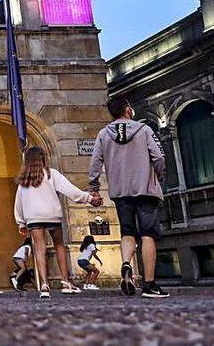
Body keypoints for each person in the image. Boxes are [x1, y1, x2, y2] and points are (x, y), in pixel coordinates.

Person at [88, 96, 169, 299]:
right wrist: (159, 175)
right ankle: (149, 284)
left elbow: (95, 162)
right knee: (147, 234)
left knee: (127, 232)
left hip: (120, 191)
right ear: (128, 109)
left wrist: (94, 187)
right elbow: (158, 157)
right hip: (145, 189)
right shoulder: (144, 130)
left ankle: (126, 265)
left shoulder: (103, 134)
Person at [14, 145, 99, 298]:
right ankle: (65, 281)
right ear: (43, 159)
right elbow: (71, 190)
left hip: (33, 218)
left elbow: (18, 203)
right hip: (52, 215)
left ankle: (45, 285)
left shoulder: (24, 181)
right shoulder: (51, 174)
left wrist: (20, 222)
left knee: (40, 249)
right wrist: (89, 199)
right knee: (59, 246)